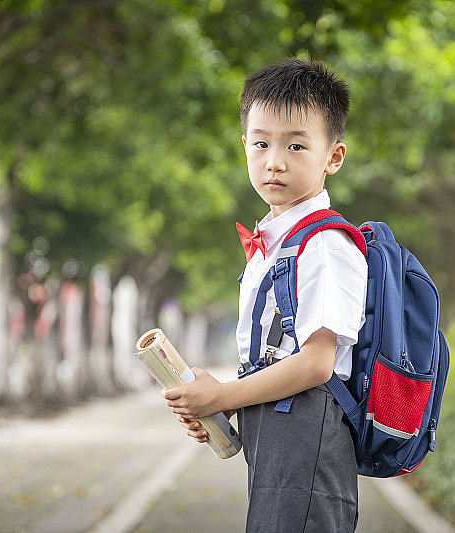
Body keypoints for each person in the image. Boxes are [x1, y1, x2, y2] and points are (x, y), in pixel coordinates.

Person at [163, 58, 367, 532]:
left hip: (305, 433)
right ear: (245, 147)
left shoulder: (323, 244)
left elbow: (317, 363)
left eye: (296, 145)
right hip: (276, 434)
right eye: (261, 143)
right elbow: (279, 355)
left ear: (333, 157)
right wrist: (215, 400)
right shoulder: (275, 243)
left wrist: (223, 396)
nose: (274, 160)